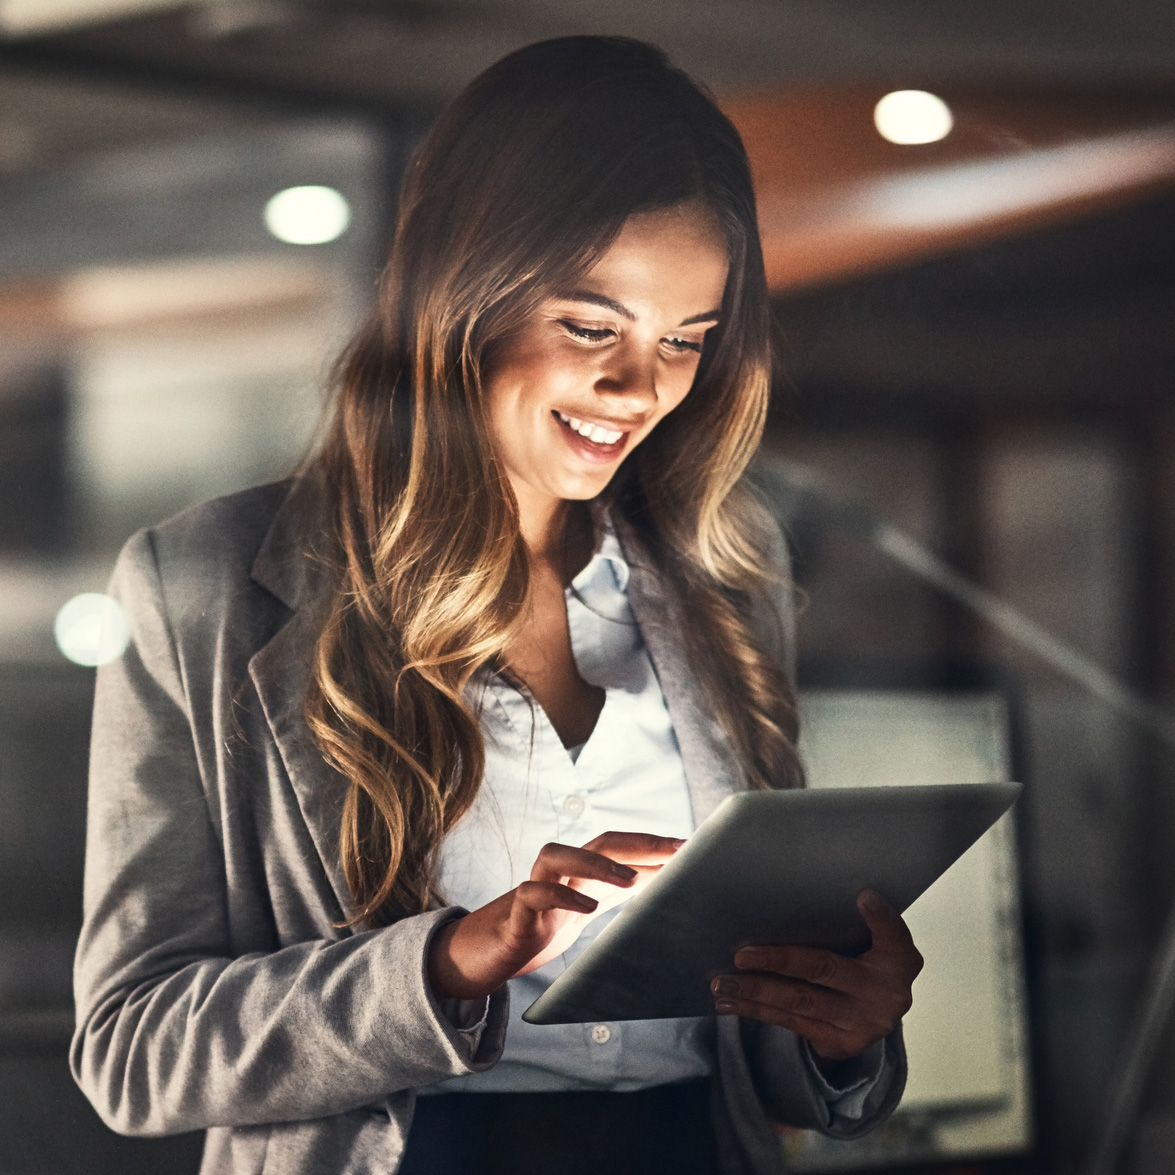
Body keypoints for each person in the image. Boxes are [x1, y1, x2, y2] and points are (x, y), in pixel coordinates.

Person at [71, 35, 922, 1175]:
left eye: (684, 341)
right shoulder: (204, 585)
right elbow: (131, 1049)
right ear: (459, 296)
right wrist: (448, 962)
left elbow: (745, 1047)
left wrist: (839, 1027)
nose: (641, 388)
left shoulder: (725, 573)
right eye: (589, 326)